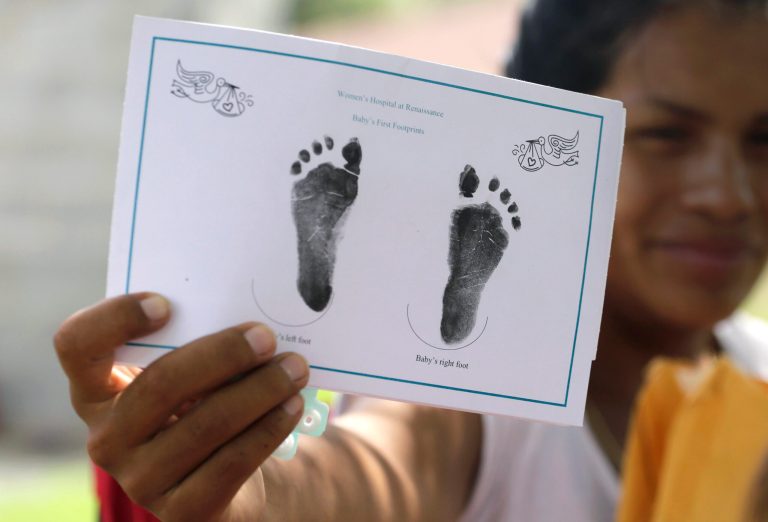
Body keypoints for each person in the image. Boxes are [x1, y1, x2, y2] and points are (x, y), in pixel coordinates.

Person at [54, 0, 768, 520]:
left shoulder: (758, 370)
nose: (730, 196)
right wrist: (254, 493)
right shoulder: (479, 404)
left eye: (764, 141)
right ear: (551, 140)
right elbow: (379, 468)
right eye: (668, 135)